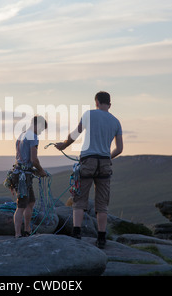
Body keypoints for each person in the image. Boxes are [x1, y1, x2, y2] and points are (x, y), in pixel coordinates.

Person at [55, 91, 123, 248]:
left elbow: (75, 135)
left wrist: (63, 145)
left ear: (96, 102)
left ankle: (77, 233)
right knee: (102, 203)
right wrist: (107, 158)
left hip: (88, 160)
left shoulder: (89, 114)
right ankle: (101, 238)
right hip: (105, 162)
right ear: (110, 104)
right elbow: (119, 149)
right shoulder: (116, 122)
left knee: (79, 200)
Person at [13, 115, 48, 238]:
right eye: (41, 129)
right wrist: (41, 170)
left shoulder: (21, 135)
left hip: (20, 172)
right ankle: (18, 234)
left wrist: (33, 170)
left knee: (31, 202)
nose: (41, 132)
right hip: (24, 176)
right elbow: (34, 159)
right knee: (21, 205)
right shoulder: (33, 137)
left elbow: (21, 156)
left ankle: (27, 230)